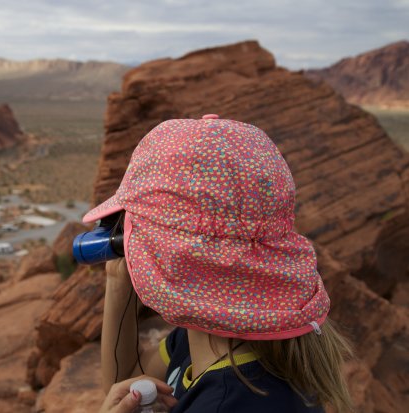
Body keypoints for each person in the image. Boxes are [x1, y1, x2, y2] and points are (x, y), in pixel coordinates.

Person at [84, 115, 354, 412]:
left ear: (176, 254)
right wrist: (118, 280)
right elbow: (129, 387)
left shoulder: (225, 404)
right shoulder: (221, 335)